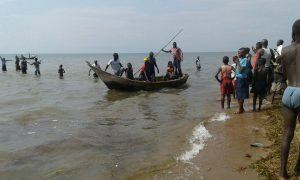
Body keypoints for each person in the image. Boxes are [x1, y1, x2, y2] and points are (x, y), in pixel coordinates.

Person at [280, 19, 300, 180]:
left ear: (293, 33)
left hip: (289, 91)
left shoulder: (285, 51)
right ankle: (299, 168)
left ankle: (282, 174)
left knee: (287, 134)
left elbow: (284, 75)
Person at [235, 48, 250, 114]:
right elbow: (238, 69)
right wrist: (237, 62)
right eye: (238, 52)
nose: (238, 54)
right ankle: (241, 108)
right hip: (238, 78)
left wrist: (237, 62)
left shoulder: (245, 60)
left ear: (244, 53)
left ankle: (240, 110)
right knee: (238, 94)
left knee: (241, 95)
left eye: (239, 53)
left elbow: (241, 70)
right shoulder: (241, 59)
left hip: (242, 79)